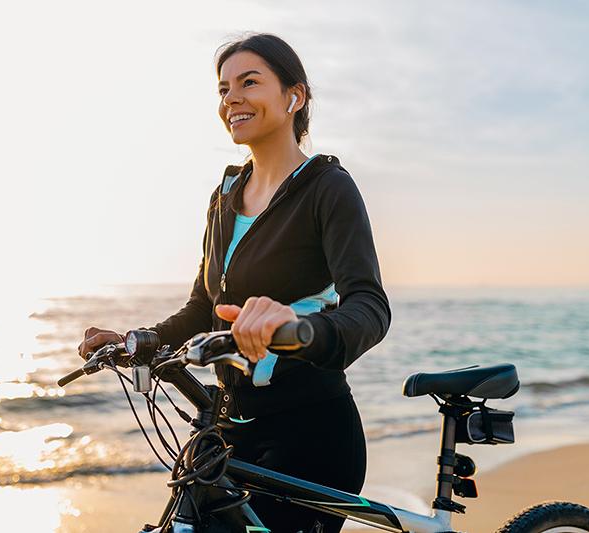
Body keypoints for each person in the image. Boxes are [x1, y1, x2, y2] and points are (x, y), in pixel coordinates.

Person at [79, 32, 391, 533]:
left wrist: (304, 329)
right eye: (223, 89)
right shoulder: (225, 196)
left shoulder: (328, 188)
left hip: (311, 430)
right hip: (227, 425)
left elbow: (370, 307)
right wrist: (139, 340)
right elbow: (204, 306)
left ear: (294, 96)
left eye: (249, 82)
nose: (231, 99)